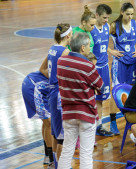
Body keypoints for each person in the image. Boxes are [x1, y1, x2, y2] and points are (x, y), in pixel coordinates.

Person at [57, 32, 103, 169]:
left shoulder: (61, 62)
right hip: (86, 114)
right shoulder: (88, 66)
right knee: (86, 154)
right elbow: (100, 86)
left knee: (67, 151)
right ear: (83, 48)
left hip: (68, 114)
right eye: (89, 46)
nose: (90, 48)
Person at [39, 23, 72, 168]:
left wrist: (53, 78)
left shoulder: (52, 49)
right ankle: (62, 166)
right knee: (62, 138)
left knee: (55, 132)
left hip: (52, 93)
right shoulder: (65, 52)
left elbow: (42, 69)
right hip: (60, 94)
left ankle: (54, 163)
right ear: (69, 36)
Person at [90, 4, 115, 136]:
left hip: (105, 67)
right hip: (94, 68)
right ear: (97, 15)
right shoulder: (91, 30)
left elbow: (105, 45)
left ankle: (98, 126)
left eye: (108, 18)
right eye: (104, 17)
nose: (106, 20)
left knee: (100, 98)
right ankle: (90, 126)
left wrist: (111, 51)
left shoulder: (107, 27)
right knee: (91, 99)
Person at [21, 71, 53, 166]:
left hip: (38, 85)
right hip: (35, 86)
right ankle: (51, 160)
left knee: (46, 122)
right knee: (49, 123)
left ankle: (48, 155)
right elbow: (43, 69)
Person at [110, 2, 136, 86]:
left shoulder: (135, 23)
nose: (130, 17)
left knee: (132, 87)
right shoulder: (114, 25)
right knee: (119, 88)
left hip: (133, 59)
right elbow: (103, 39)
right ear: (122, 12)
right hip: (120, 60)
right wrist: (111, 51)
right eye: (128, 14)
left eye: (132, 14)